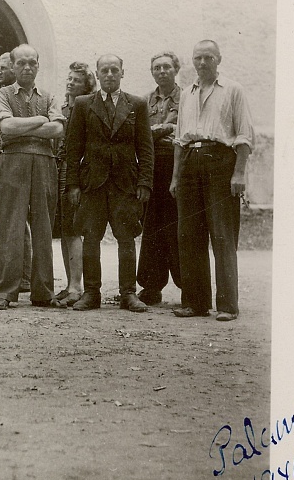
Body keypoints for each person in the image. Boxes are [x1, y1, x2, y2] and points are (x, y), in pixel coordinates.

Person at [170, 39, 255, 322]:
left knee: (222, 234)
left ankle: (228, 305)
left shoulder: (233, 90)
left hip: (221, 162)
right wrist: (175, 177)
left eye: (208, 57)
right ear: (192, 61)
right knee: (189, 234)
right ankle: (195, 303)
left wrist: (239, 173)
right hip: (190, 164)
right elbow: (180, 140)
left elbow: (243, 136)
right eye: (198, 58)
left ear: (219, 59)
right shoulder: (186, 94)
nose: (202, 63)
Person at [66, 54, 154, 312]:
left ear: (122, 73)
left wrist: (145, 182)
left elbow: (145, 147)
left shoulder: (137, 104)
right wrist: (73, 185)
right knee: (90, 237)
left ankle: (128, 293)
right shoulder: (83, 104)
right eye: (104, 70)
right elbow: (73, 148)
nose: (110, 75)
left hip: (125, 183)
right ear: (98, 72)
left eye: (115, 70)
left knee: (126, 238)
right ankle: (92, 292)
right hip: (92, 182)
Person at [0, 44, 64, 309]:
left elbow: (57, 129)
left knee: (44, 227)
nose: (26, 67)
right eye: (21, 63)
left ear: (38, 65)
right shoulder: (3, 94)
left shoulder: (48, 95)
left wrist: (28, 126)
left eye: (31, 63)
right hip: (13, 163)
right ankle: (4, 292)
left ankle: (43, 292)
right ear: (12, 65)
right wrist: (39, 119)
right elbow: (7, 127)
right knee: (10, 225)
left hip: (45, 162)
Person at [136, 51, 182, 306]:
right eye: (157, 68)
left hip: (177, 167)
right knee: (152, 225)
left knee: (178, 225)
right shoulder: (144, 101)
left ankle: (188, 285)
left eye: (166, 67)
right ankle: (151, 286)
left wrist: (157, 131)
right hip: (152, 167)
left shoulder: (187, 98)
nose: (162, 71)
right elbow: (141, 134)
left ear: (176, 69)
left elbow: (184, 132)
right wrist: (167, 128)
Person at [0, 50, 32, 293]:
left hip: (12, 163)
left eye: (3, 69)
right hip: (1, 163)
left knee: (19, 223)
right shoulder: (0, 96)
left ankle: (24, 276)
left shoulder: (19, 99)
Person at [56, 62, 97, 307]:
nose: (70, 83)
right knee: (64, 227)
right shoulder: (62, 108)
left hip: (77, 172)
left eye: (77, 80)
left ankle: (76, 285)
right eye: (69, 79)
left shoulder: (89, 109)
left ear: (86, 87)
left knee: (74, 227)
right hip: (59, 168)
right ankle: (71, 282)